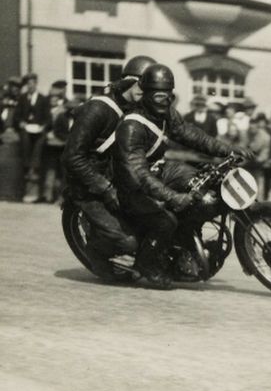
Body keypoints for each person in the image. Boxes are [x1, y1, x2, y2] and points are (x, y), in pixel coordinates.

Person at [111, 64, 250, 286]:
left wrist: (227, 150)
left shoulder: (166, 114)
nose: (164, 100)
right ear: (145, 94)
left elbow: (190, 134)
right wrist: (173, 197)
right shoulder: (131, 127)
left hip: (161, 169)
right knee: (166, 220)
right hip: (132, 184)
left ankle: (187, 242)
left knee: (206, 193)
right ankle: (145, 265)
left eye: (168, 95)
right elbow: (138, 174)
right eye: (158, 95)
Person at [61, 55, 157, 279]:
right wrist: (104, 187)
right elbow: (72, 157)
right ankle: (96, 251)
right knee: (129, 241)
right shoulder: (98, 109)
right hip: (87, 188)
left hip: (116, 181)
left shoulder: (135, 111)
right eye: (144, 86)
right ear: (130, 81)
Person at [12, 73, 51, 202]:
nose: (30, 86)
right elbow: (16, 116)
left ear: (36, 84)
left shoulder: (43, 99)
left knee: (41, 141)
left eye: (32, 84)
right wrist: (21, 122)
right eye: (28, 84)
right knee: (24, 138)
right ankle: (28, 166)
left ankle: (34, 167)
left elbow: (48, 118)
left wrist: (43, 126)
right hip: (26, 129)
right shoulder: (22, 98)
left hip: (39, 129)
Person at [39, 80, 70, 203]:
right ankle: (47, 195)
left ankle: (60, 196)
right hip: (49, 143)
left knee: (61, 170)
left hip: (62, 143)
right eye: (57, 89)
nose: (59, 91)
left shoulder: (68, 105)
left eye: (61, 89)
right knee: (49, 169)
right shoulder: (45, 105)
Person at [245, 113, 271, 199]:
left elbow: (263, 156)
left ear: (258, 126)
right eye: (251, 125)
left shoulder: (265, 137)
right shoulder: (244, 134)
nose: (252, 128)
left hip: (258, 167)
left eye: (254, 125)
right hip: (244, 166)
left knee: (258, 191)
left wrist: (253, 156)